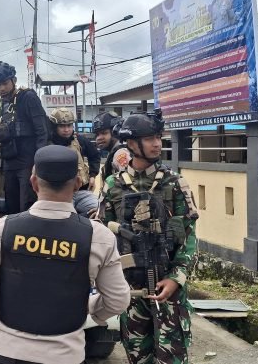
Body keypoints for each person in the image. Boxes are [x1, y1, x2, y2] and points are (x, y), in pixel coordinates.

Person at [0, 145, 130, 364]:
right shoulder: (99, 236)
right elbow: (118, 300)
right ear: (78, 184)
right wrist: (88, 310)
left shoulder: (3, 230)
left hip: (6, 352)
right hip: (65, 356)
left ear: (33, 182)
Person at [98, 111, 199, 364]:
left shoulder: (174, 183)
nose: (157, 143)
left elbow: (189, 238)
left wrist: (176, 278)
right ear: (131, 144)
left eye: (158, 137)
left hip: (169, 291)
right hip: (131, 292)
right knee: (137, 358)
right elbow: (103, 236)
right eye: (150, 138)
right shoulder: (113, 185)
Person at [0, 61, 48, 215]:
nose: (2, 88)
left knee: (26, 207)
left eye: (5, 83)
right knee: (10, 207)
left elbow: (42, 132)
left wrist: (38, 164)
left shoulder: (28, 97)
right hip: (9, 163)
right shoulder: (5, 103)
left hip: (28, 163)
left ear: (14, 80)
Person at [48, 107, 100, 214]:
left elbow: (94, 155)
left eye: (69, 125)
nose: (67, 130)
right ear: (54, 127)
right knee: (66, 217)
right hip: (59, 195)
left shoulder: (79, 140)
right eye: (62, 126)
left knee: (99, 210)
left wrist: (92, 175)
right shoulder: (47, 145)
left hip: (82, 191)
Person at [92, 111, 131, 189]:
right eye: (97, 134)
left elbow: (130, 185)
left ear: (115, 133)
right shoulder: (113, 152)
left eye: (104, 133)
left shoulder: (121, 153)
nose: (99, 138)